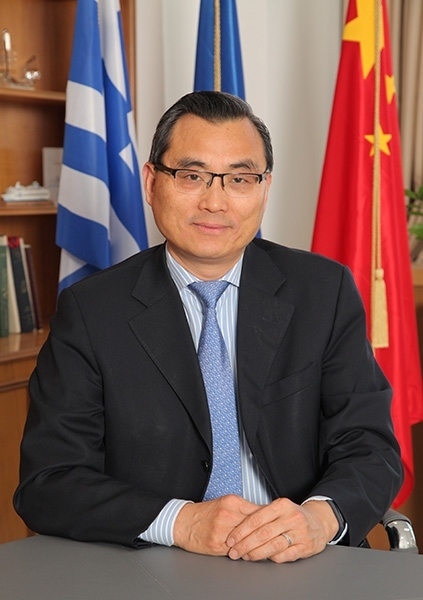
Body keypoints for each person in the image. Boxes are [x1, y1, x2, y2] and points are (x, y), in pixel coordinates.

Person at [14, 91, 402, 563]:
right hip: (156, 565)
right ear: (151, 183)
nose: (215, 202)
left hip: (301, 558)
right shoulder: (91, 311)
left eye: (239, 179)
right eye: (192, 176)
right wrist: (181, 521)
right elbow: (48, 482)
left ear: (264, 188)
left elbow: (370, 446)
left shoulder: (323, 292)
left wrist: (318, 519)